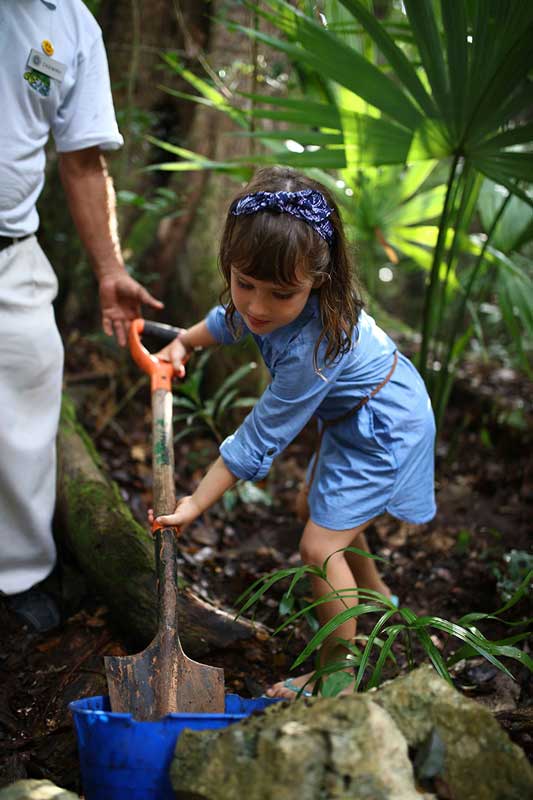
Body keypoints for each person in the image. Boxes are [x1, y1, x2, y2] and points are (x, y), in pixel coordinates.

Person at [152, 166, 436, 699]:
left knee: (318, 546)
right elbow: (229, 319)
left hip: (386, 427)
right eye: (244, 284)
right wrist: (184, 344)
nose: (258, 306)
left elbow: (260, 437)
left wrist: (195, 501)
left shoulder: (315, 348)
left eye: (280, 294)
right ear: (232, 269)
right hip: (363, 417)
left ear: (318, 281)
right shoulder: (264, 304)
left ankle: (339, 672)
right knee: (318, 507)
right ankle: (377, 600)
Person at [0, 0, 162, 632]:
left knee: (29, 391)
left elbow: (83, 159)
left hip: (10, 252)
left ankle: (21, 576)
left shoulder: (69, 21)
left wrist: (110, 270)